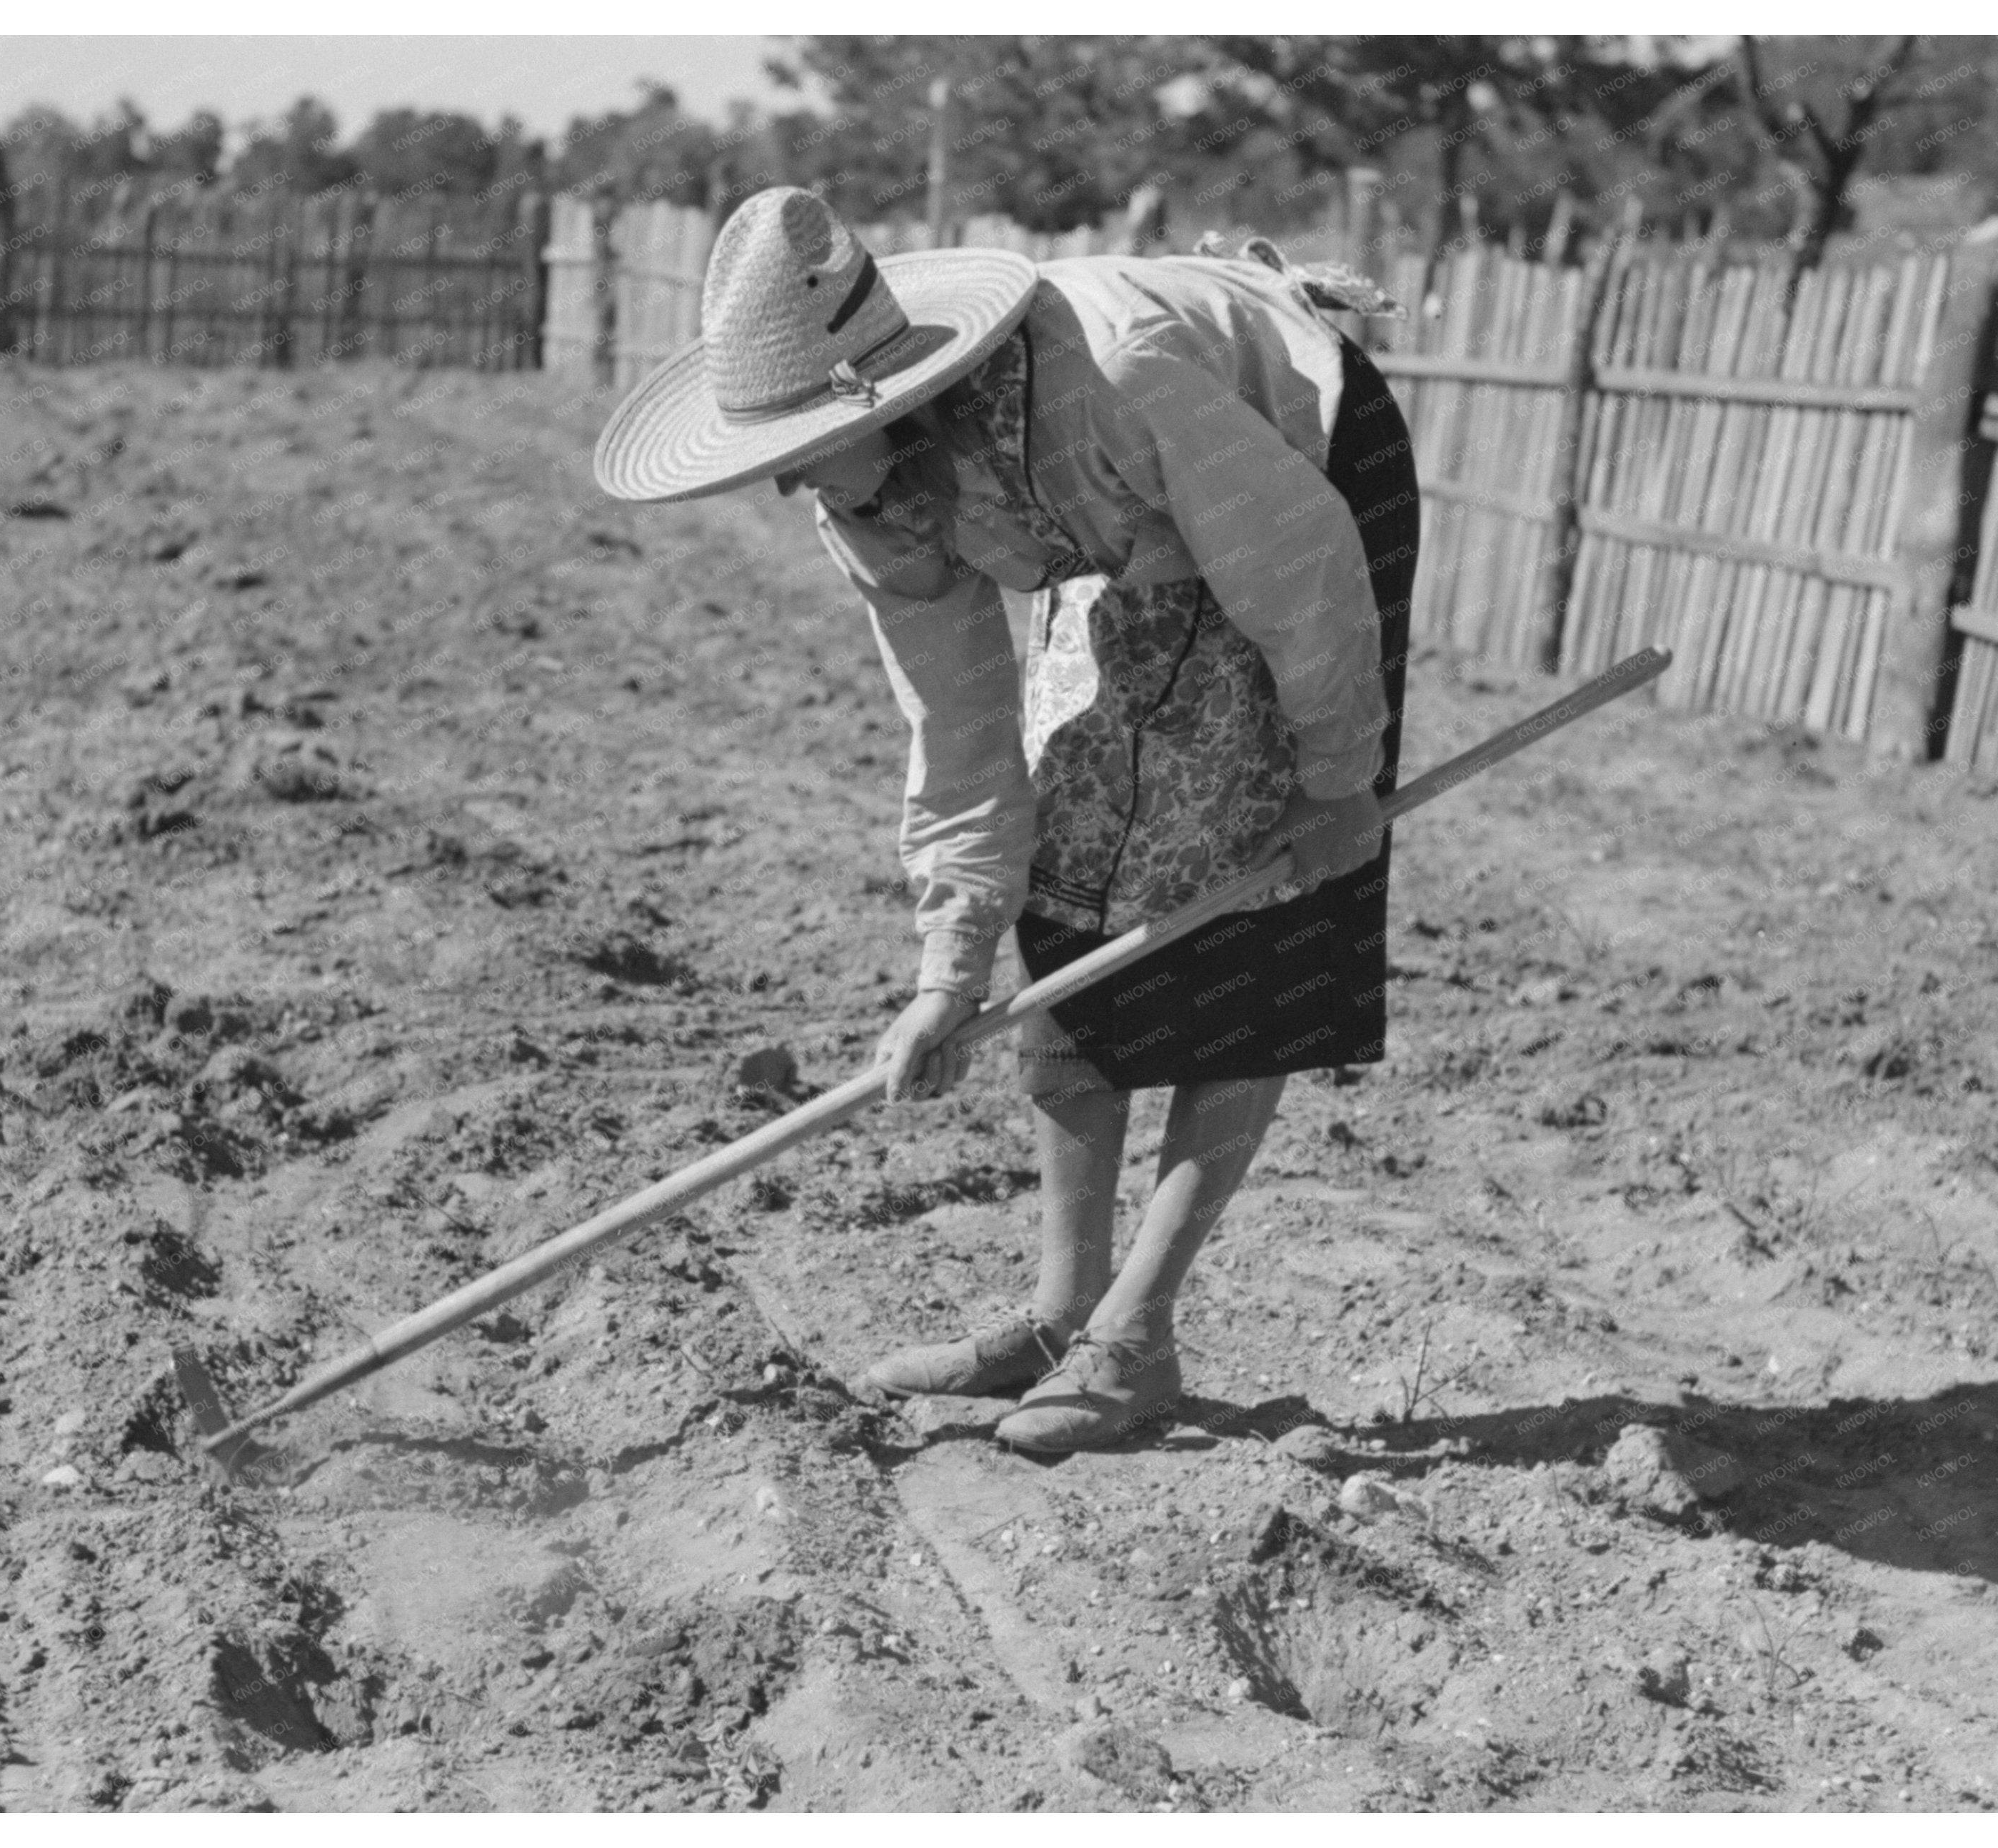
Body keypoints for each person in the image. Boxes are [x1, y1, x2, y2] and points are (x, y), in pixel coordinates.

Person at [594, 188, 1416, 1452]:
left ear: (890, 402)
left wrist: (1335, 778)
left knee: (1254, 895)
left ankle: (1134, 1341)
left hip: (1296, 476)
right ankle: (1059, 1313)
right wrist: (947, 972)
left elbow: (1298, 573)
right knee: (1072, 880)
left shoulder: (1114, 381)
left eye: (800, 448)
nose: (786, 487)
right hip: (1130, 534)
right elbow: (962, 733)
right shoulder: (865, 495)